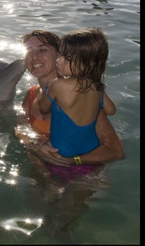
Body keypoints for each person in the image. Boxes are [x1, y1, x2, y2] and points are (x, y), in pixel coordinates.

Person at [16, 30, 124, 167]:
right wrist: (34, 144)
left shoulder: (82, 97)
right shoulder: (31, 94)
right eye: (29, 52)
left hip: (79, 177)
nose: (34, 57)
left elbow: (115, 151)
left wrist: (74, 160)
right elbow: (21, 127)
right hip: (42, 172)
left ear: (58, 54)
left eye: (42, 50)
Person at [39, 28, 116, 160]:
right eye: (60, 54)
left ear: (89, 64)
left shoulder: (58, 85)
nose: (59, 60)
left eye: (67, 58)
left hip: (61, 155)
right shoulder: (98, 88)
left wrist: (47, 89)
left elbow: (43, 108)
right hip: (90, 153)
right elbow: (111, 110)